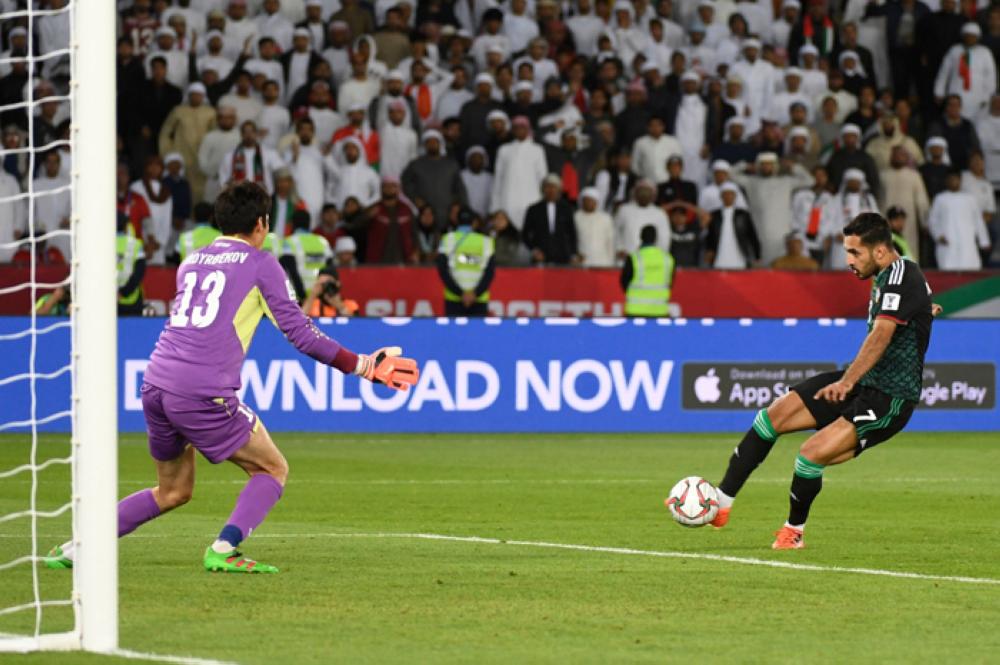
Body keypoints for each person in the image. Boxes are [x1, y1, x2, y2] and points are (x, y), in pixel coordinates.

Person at [44, 181, 420, 574]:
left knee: (173, 491)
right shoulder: (261, 264)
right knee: (271, 468)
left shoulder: (193, 260)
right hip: (201, 390)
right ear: (260, 223)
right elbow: (302, 334)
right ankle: (225, 549)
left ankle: (76, 547)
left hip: (156, 383)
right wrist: (363, 365)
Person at [708, 212, 937, 549]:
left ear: (879, 251)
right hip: (865, 382)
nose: (848, 260)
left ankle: (793, 533)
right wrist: (925, 310)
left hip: (890, 397)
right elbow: (911, 308)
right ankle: (722, 500)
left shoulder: (903, 274)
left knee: (810, 454)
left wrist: (846, 382)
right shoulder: (887, 276)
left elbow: (882, 334)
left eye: (854, 252)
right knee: (774, 415)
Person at [436, 207, 496, 317]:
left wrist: (460, 293)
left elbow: (442, 270)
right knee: (477, 334)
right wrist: (475, 294)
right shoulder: (486, 242)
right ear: (474, 222)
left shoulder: (447, 239)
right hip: (479, 299)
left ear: (456, 220)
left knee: (454, 334)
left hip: (454, 298)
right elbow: (490, 272)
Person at [490, 116, 548, 230]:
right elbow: (498, 178)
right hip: (507, 199)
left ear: (528, 130)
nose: (519, 130)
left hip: (531, 199)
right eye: (516, 127)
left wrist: (543, 203)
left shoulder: (537, 149)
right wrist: (495, 206)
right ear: (512, 130)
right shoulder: (504, 149)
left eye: (523, 127)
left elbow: (543, 177)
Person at [928, 168, 992, 269]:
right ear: (946, 181)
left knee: (970, 271)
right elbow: (933, 221)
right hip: (947, 244)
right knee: (948, 272)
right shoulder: (940, 198)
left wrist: (984, 241)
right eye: (950, 179)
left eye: (956, 178)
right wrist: (939, 235)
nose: (953, 181)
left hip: (968, 244)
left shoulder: (970, 198)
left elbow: (978, 221)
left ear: (960, 180)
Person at [522, 174, 579, 265]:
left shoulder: (567, 209)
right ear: (543, 189)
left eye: (554, 187)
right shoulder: (533, 209)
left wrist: (573, 254)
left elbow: (572, 234)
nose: (551, 190)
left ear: (559, 190)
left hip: (563, 257)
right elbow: (525, 234)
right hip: (541, 257)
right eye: (548, 187)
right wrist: (534, 250)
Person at [620, 224, 674, 318]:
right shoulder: (667, 259)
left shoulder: (634, 258)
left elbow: (624, 281)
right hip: (659, 310)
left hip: (635, 310)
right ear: (656, 238)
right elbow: (670, 282)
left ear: (640, 237)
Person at [705, 182, 761, 269]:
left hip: (739, 255)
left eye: (730, 194)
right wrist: (709, 250)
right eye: (725, 194)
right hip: (719, 255)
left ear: (735, 196)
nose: (728, 197)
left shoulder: (743, 215)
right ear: (721, 196)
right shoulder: (714, 214)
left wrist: (757, 256)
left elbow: (752, 235)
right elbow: (710, 235)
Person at [281, 210, 335, 300]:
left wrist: (303, 297)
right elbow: (330, 271)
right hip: (320, 297)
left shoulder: (288, 242)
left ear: (292, 224)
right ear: (309, 223)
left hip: (298, 297)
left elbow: (291, 271)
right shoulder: (322, 241)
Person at [615, 179, 671, 259]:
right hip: (626, 257)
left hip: (650, 258)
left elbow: (664, 238)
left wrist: (659, 254)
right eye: (642, 191)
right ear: (635, 193)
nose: (644, 195)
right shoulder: (624, 210)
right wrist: (619, 249)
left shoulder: (660, 213)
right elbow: (615, 231)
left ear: (653, 195)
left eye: (647, 192)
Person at [574, 187, 615, 267]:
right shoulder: (576, 217)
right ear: (582, 202)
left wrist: (611, 261)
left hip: (603, 261)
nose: (589, 203)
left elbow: (610, 241)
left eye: (592, 201)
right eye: (586, 200)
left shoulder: (605, 218)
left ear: (597, 202)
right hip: (582, 261)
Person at [116, 212, 147, 316]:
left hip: (107, 300)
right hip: (131, 299)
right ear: (126, 227)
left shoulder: (100, 244)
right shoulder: (136, 244)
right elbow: (139, 272)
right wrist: (124, 292)